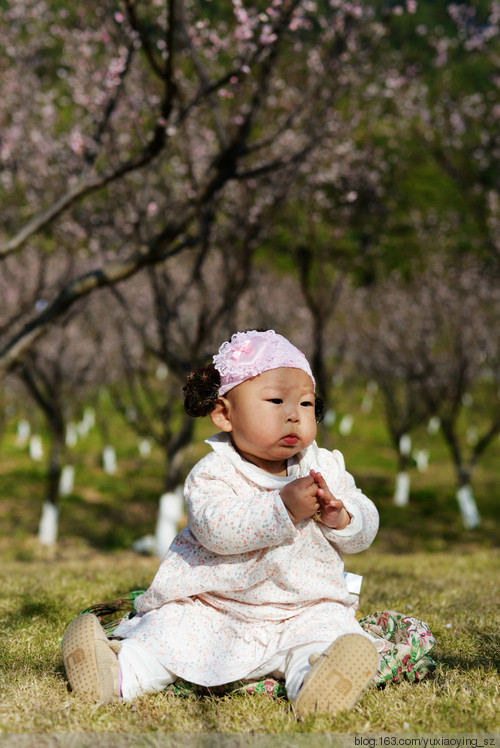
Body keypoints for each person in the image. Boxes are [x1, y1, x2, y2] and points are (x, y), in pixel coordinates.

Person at [62, 329, 384, 718]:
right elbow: (217, 529)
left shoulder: (325, 465)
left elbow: (365, 526)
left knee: (327, 632)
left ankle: (315, 685)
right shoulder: (214, 472)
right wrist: (281, 508)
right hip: (216, 605)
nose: (293, 414)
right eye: (276, 401)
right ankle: (116, 672)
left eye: (305, 403)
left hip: (303, 605)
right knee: (169, 635)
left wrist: (343, 517)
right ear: (224, 413)